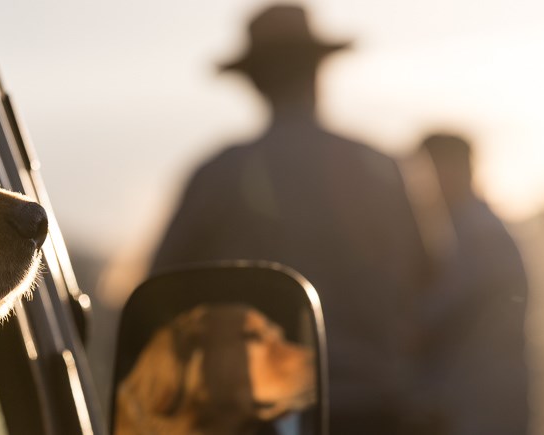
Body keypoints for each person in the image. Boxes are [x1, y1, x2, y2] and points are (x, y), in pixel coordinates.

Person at [150, 5, 431, 433]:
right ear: (319, 72)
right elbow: (429, 274)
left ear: (255, 83)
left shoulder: (221, 174)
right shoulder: (382, 167)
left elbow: (162, 289)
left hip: (262, 414)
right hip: (378, 407)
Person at [417, 134, 529, 435]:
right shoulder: (467, 226)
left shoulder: (478, 233)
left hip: (477, 403)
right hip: (476, 398)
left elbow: (436, 314)